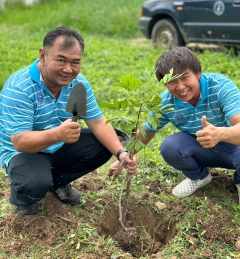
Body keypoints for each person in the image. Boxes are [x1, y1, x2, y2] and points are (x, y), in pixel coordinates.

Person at [0, 26, 137, 215]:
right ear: (43, 56)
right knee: (34, 182)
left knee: (109, 142)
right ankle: (23, 198)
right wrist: (57, 134)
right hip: (24, 152)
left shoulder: (78, 85)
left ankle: (57, 182)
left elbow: (97, 121)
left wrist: (121, 153)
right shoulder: (20, 88)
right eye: (61, 60)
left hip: (58, 145)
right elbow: (20, 142)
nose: (68, 69)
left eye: (75, 62)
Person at [137, 46, 240, 202]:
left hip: (233, 146)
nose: (180, 87)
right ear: (164, 83)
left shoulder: (221, 87)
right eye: (172, 81)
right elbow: (147, 130)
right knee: (170, 146)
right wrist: (124, 155)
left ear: (198, 73)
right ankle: (199, 177)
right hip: (200, 148)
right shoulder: (166, 102)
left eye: (185, 78)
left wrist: (220, 134)